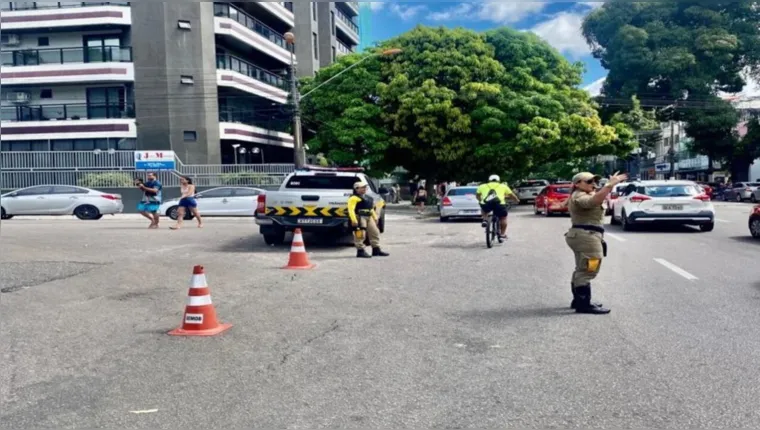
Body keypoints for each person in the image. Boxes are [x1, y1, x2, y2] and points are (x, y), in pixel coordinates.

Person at [565, 171, 628, 314]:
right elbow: (594, 201)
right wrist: (609, 186)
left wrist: (608, 187)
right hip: (586, 236)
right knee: (588, 268)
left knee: (582, 268)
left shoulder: (585, 194)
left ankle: (579, 301)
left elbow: (597, 197)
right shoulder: (579, 196)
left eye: (594, 181)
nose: (593, 184)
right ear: (577, 184)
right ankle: (583, 304)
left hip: (586, 235)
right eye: (589, 181)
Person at [347, 180, 389, 259]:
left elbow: (371, 208)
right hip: (359, 217)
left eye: (365, 187)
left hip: (368, 217)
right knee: (360, 234)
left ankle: (376, 249)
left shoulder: (367, 197)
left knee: (375, 232)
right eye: (362, 187)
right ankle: (360, 250)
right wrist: (354, 219)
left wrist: (375, 217)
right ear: (356, 189)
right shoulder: (353, 198)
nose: (364, 189)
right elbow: (351, 209)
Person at [476, 175, 519, 242]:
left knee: (483, 208)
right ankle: (502, 235)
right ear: (498, 180)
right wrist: (517, 200)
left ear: (489, 180)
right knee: (503, 218)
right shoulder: (503, 186)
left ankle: (485, 220)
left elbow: (477, 195)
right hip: (499, 204)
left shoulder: (482, 186)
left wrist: (480, 200)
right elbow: (511, 195)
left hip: (487, 204)